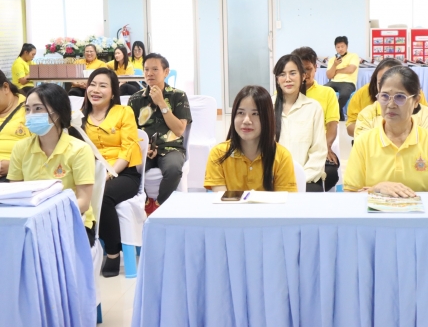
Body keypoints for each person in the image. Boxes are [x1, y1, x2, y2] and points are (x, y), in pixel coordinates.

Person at [7, 84, 96, 247]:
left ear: (58, 112)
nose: (30, 115)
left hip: (73, 221)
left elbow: (83, 202)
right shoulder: (20, 148)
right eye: (27, 109)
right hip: (31, 223)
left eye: (38, 109)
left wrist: (45, 216)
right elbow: (16, 194)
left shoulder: (79, 150)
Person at [344, 66, 428, 195]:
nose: (391, 104)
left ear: (416, 101)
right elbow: (350, 196)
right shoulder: (363, 142)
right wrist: (376, 189)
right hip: (374, 209)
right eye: (384, 96)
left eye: (400, 97)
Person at [82, 68, 142, 277]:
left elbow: (128, 148)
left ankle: (113, 253)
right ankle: (86, 247)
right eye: (92, 84)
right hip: (90, 172)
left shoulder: (124, 112)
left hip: (123, 173)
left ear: (113, 91)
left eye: (102, 86)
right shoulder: (79, 117)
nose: (96, 90)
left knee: (104, 195)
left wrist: (110, 172)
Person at [128, 53, 192, 215]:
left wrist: (162, 103)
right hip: (144, 148)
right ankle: (145, 201)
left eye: (155, 69)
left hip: (171, 147)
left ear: (166, 72)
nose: (149, 73)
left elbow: (179, 129)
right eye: (146, 69)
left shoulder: (178, 95)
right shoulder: (135, 99)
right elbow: (131, 132)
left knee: (173, 169)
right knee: (129, 169)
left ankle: (158, 205)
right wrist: (144, 147)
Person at [205, 85, 297, 192]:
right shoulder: (218, 154)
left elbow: (283, 199)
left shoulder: (282, 157)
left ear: (267, 118)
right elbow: (223, 199)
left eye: (255, 113)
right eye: (241, 113)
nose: (246, 121)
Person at [272, 54, 327, 191]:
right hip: (273, 179)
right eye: (282, 74)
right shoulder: (267, 106)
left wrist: (300, 178)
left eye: (292, 73)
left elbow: (318, 151)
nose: (287, 79)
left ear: (303, 76)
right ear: (277, 79)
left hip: (305, 180)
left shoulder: (313, 108)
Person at [291, 46, 340, 191]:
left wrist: (325, 148)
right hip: (292, 147)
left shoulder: (327, 93)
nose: (304, 74)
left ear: (316, 68)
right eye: (299, 70)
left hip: (320, 145)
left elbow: (332, 125)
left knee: (330, 174)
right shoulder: (283, 94)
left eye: (308, 69)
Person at [346, 58, 428, 137]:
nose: (387, 87)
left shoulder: (414, 95)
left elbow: (426, 124)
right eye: (381, 82)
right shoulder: (362, 96)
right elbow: (350, 126)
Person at [0, 70, 30, 182]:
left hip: (15, 178)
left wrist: (14, 166)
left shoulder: (31, 110)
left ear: (5, 87)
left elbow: (47, 155)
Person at [325, 36, 360, 121]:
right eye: (338, 47)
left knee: (344, 95)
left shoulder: (353, 56)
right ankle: (339, 115)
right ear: (335, 48)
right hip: (334, 82)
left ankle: (333, 113)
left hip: (348, 82)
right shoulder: (332, 60)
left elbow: (351, 69)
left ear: (347, 46)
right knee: (323, 91)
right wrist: (335, 65)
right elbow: (329, 76)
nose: (340, 49)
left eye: (342, 46)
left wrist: (337, 71)